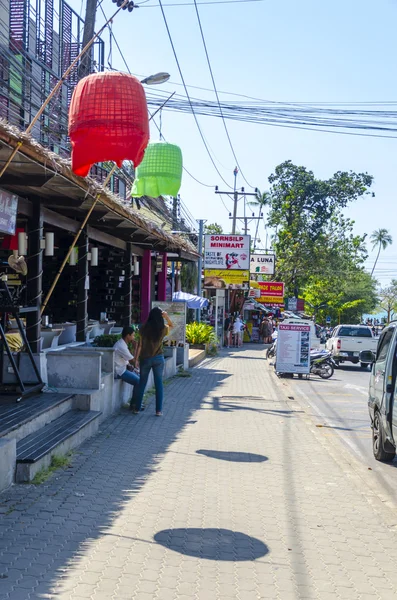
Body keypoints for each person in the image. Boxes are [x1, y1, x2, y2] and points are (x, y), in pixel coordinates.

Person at [133, 307, 174, 416]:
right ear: (160, 317)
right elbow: (171, 325)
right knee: (159, 384)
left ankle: (137, 408)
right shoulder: (162, 329)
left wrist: (136, 359)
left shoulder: (143, 328)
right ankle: (158, 411)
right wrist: (166, 317)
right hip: (158, 358)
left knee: (142, 383)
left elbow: (140, 345)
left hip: (145, 359)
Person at [113, 326, 140, 410]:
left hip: (123, 368)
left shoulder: (122, 344)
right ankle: (134, 404)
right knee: (138, 381)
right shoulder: (121, 346)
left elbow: (129, 360)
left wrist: (130, 366)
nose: (134, 337)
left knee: (140, 378)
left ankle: (137, 402)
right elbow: (134, 362)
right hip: (119, 371)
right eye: (133, 335)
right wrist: (136, 348)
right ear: (128, 335)